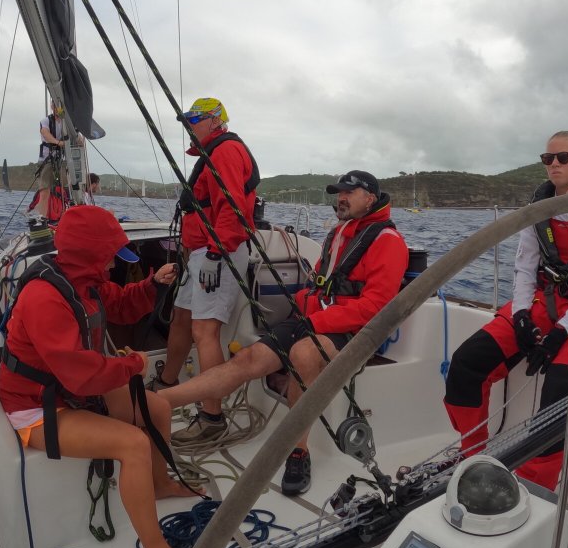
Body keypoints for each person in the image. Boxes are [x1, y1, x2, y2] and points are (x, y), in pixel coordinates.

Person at [159, 169, 408, 495]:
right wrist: (304, 310)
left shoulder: (388, 242)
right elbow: (318, 283)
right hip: (317, 319)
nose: (341, 199)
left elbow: (376, 308)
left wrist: (316, 323)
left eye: (349, 193)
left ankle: (299, 452)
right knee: (249, 359)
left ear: (370, 198)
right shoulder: (338, 234)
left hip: (356, 332)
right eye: (339, 193)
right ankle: (157, 402)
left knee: (303, 353)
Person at [0, 205, 194, 548]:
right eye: (109, 255)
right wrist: (132, 365)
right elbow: (80, 376)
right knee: (133, 444)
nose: (112, 264)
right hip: (37, 408)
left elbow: (119, 305)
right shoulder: (45, 297)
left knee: (159, 410)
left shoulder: (84, 280)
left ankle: (160, 484)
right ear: (91, 254)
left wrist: (153, 285)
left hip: (70, 390)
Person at [444, 131, 568, 490]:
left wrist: (562, 331)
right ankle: (472, 457)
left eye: (563, 157)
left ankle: (534, 485)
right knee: (466, 363)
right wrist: (522, 316)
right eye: (548, 159)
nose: (554, 164)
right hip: (548, 297)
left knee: (560, 387)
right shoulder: (537, 209)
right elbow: (525, 268)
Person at [150, 98, 260, 443]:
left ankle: (212, 417)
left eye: (194, 119)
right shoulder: (213, 152)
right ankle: (166, 385)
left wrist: (215, 252)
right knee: (181, 319)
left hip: (217, 253)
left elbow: (232, 205)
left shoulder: (225, 151)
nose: (189, 125)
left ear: (215, 120)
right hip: (201, 252)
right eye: (186, 119)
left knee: (205, 332)